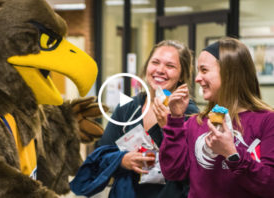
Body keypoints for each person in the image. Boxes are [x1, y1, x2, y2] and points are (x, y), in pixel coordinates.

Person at [158, 37, 274, 198]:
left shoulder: (267, 121)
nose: (197, 78)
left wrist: (232, 153)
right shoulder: (195, 123)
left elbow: (269, 186)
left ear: (229, 74)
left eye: (204, 70)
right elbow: (173, 172)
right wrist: (176, 119)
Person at [95, 40, 199, 198]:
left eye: (170, 66)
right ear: (146, 66)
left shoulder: (189, 114)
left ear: (181, 75)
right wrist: (123, 160)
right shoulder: (127, 108)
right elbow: (101, 156)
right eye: (155, 62)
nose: (160, 70)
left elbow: (190, 171)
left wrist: (169, 127)